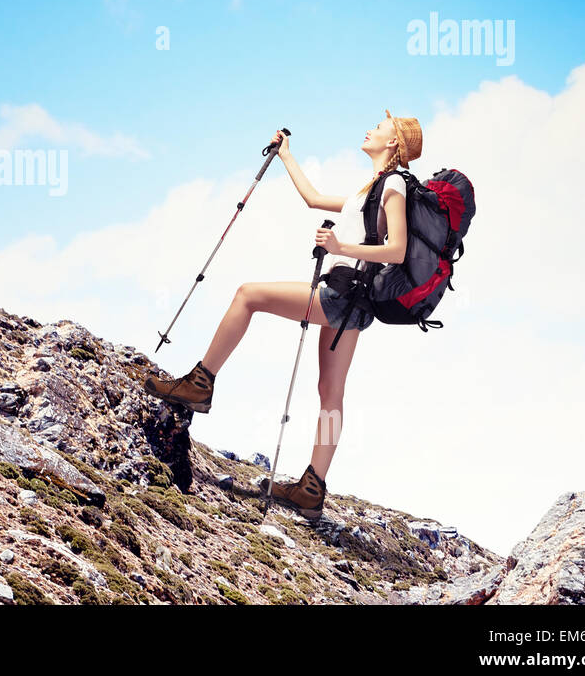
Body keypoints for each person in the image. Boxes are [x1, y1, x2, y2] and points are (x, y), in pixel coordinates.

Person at [143, 111, 423, 519]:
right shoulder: (371, 189)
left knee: (248, 295)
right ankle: (312, 488)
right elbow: (312, 199)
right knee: (330, 393)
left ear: (393, 143)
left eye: (379, 127)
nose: (370, 129)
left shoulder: (393, 185)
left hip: (343, 297)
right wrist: (286, 155)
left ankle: (200, 383)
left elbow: (396, 250)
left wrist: (340, 246)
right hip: (354, 304)